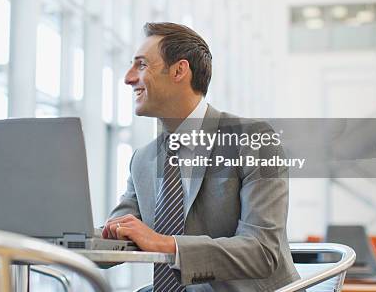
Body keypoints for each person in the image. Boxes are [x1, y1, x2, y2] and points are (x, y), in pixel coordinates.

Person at [102, 22, 299, 291]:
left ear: (179, 70)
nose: (128, 77)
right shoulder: (142, 160)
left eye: (142, 65)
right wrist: (60, 235)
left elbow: (261, 251)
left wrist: (164, 244)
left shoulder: (253, 139)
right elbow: (113, 235)